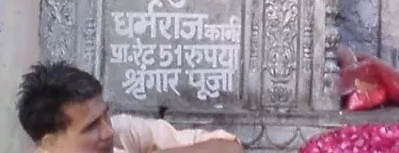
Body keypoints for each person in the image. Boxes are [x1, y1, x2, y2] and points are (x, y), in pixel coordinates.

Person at [16, 62, 242, 153]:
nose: (107, 131)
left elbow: (229, 148)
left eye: (106, 115)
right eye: (91, 127)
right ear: (49, 142)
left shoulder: (121, 133)